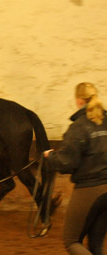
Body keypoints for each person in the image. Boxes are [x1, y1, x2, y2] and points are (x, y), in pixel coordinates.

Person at [44, 82, 107, 255]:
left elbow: (67, 162)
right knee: (96, 243)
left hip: (89, 188)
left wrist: (51, 157)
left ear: (79, 101)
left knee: (71, 241)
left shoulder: (79, 126)